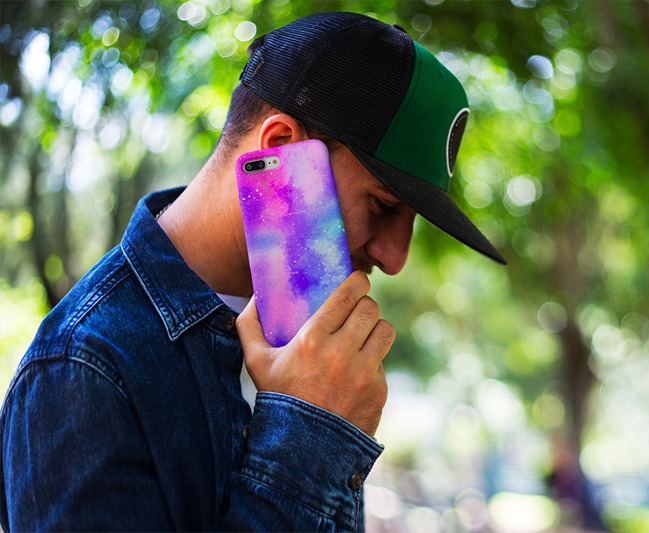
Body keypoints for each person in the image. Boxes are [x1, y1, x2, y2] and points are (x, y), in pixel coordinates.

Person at [0, 11, 506, 531]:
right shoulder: (82, 369)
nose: (395, 258)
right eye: (382, 205)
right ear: (281, 147)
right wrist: (310, 432)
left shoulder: (309, 344)